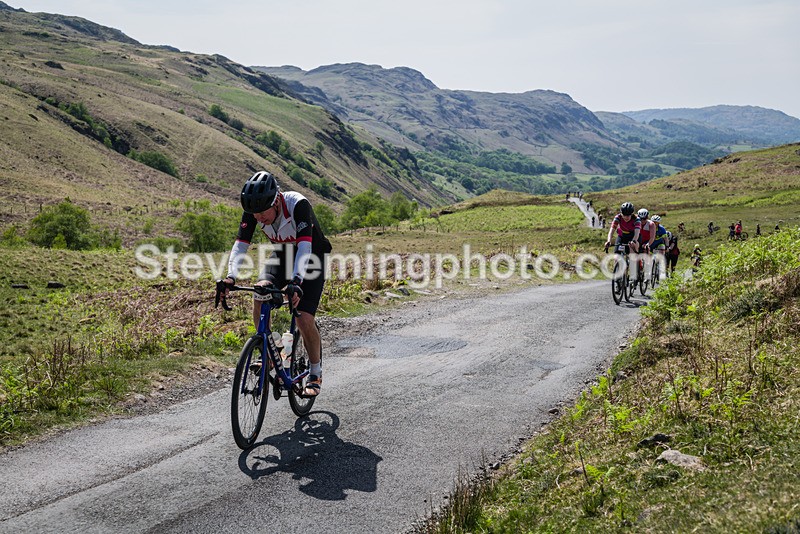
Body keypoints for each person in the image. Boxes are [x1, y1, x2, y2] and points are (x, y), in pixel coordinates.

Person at [222, 171, 332, 397]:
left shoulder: (298, 205)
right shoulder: (254, 209)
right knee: (260, 292)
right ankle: (271, 351)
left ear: (276, 201)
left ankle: (315, 372)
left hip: (312, 257)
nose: (259, 218)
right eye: (255, 214)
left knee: (303, 318)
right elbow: (241, 244)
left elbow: (304, 248)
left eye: (263, 213)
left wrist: (297, 282)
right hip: (282, 255)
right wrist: (230, 277)